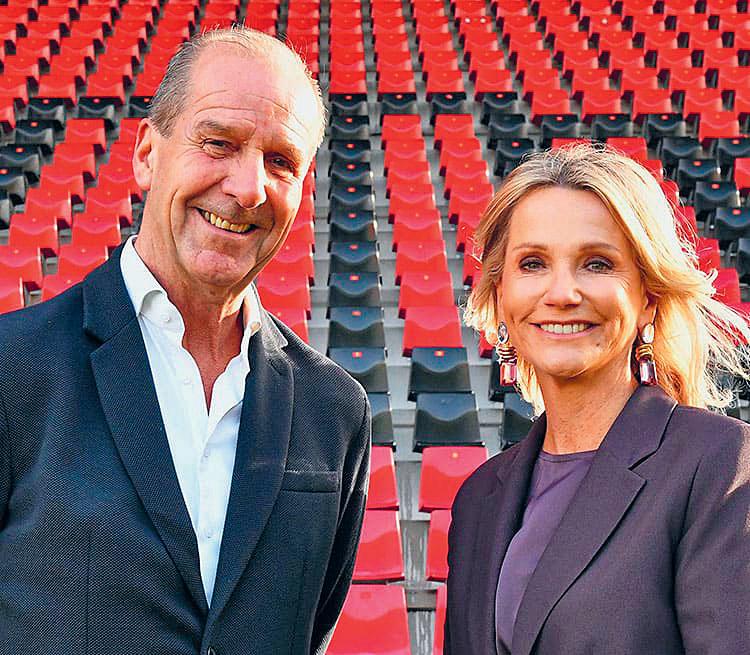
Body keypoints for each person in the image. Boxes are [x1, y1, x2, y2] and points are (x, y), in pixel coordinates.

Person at [0, 27, 371, 655]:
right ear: (147, 154)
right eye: (218, 143)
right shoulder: (12, 368)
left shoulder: (334, 410)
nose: (249, 187)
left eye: (281, 162)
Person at [445, 144, 750, 655]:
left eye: (597, 264)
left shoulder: (721, 465)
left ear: (648, 297)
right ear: (499, 298)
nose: (562, 292)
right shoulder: (477, 499)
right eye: (533, 263)